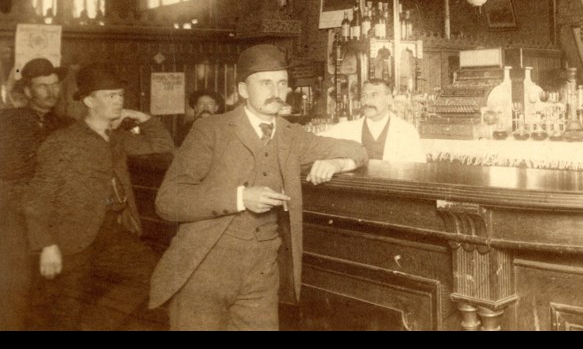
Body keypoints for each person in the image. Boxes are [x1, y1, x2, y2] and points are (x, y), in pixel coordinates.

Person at [148, 44, 369, 331]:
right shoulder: (211, 130)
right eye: (265, 83)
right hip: (204, 268)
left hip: (262, 274)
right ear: (242, 90)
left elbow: (359, 149)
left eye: (282, 83)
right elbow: (168, 201)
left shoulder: (292, 136)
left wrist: (337, 164)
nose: (276, 91)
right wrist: (241, 197)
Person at [23, 62, 175, 330]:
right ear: (90, 101)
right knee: (65, 312)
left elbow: (162, 146)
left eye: (120, 95)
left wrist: (140, 116)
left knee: (153, 276)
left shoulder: (117, 138)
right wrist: (46, 245)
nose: (117, 102)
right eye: (110, 96)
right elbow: (36, 200)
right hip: (71, 236)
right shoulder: (63, 142)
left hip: (112, 230)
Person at [0, 58, 72, 330]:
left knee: (51, 287)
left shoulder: (67, 125)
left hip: (54, 216)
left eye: (55, 86)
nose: (51, 92)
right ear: (28, 92)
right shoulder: (7, 122)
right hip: (13, 214)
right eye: (42, 86)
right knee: (15, 285)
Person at [324, 78, 426, 163]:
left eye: (374, 95)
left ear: (389, 99)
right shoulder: (345, 129)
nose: (367, 102)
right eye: (364, 96)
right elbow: (315, 145)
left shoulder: (407, 131)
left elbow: (417, 169)